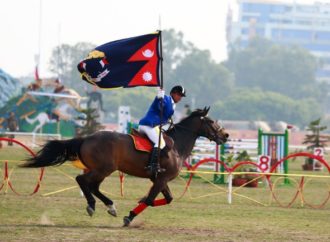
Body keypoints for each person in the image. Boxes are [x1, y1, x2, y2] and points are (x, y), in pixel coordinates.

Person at [138, 85, 186, 175]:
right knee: (161, 143)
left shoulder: (172, 105)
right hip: (149, 125)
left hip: (151, 126)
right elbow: (160, 106)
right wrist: (159, 98)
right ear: (172, 93)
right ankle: (152, 165)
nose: (180, 98)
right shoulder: (166, 99)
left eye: (181, 96)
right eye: (179, 95)